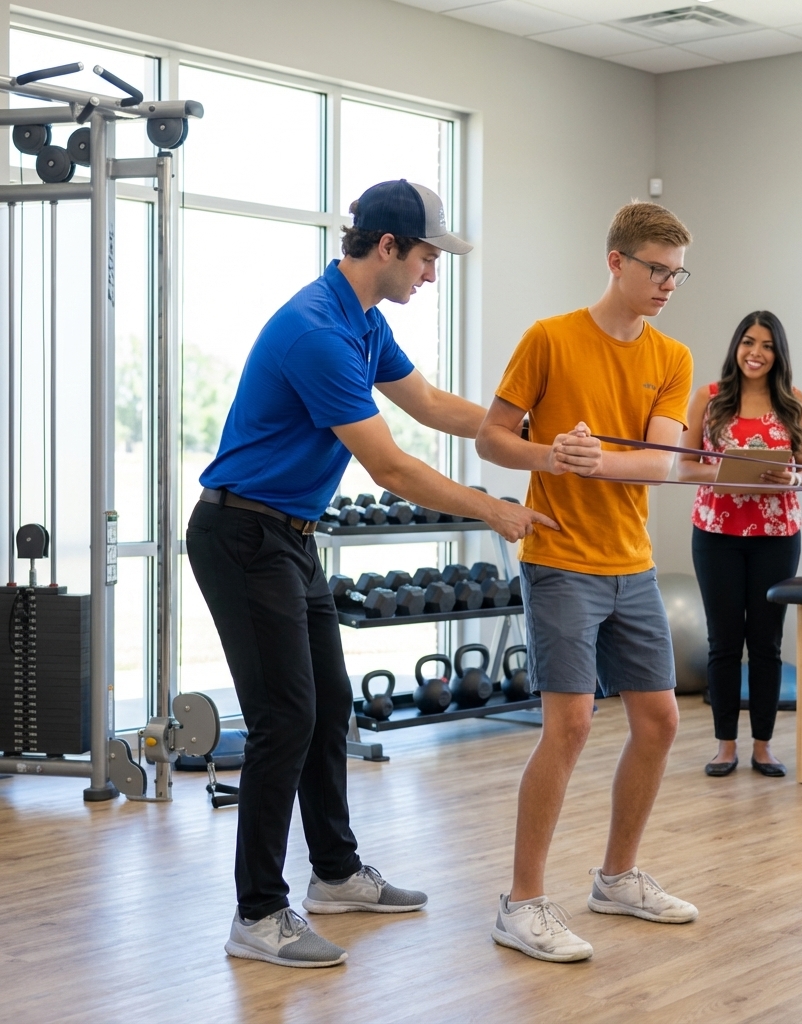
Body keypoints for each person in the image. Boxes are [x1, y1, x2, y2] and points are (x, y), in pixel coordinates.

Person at [186, 179, 556, 970]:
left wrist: (531, 425)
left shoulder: (361, 322)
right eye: (426, 257)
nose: (431, 273)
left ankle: (336, 874)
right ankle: (257, 916)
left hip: (288, 536)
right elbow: (389, 466)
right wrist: (492, 508)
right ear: (387, 247)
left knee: (329, 708)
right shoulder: (316, 331)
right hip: (241, 535)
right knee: (285, 718)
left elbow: (426, 403)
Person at [476, 201, 698, 963]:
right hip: (561, 559)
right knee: (568, 726)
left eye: (676, 272)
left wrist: (597, 460)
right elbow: (494, 438)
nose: (668, 284)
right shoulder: (550, 338)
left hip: (630, 562)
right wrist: (548, 458)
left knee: (660, 722)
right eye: (656, 270)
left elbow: (664, 460)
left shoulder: (671, 357)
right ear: (617, 262)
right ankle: (522, 902)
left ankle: (617, 878)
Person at [676, 311, 802, 778]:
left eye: (767, 345)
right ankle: (724, 745)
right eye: (748, 342)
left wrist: (793, 476)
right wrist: (731, 471)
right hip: (716, 534)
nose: (756, 353)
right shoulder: (708, 399)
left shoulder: (796, 403)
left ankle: (763, 746)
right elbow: (683, 467)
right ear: (736, 346)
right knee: (723, 642)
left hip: (776, 537)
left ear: (779, 354)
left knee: (766, 643)